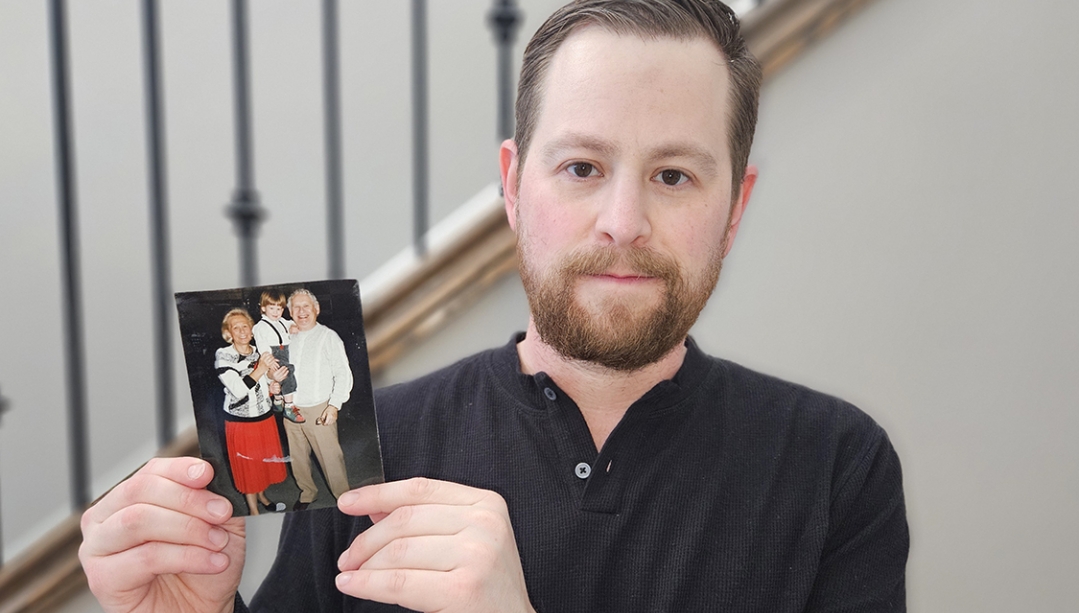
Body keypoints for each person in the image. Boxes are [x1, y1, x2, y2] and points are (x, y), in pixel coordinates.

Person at [78, 1, 908, 612]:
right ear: (511, 185)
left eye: (673, 175)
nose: (623, 222)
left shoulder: (837, 466)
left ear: (734, 207)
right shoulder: (368, 449)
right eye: (581, 167)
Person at [279, 288, 353, 511]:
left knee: (330, 458)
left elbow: (343, 372)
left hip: (318, 407)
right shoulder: (285, 337)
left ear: (316, 309)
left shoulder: (328, 337)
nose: (301, 312)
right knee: (298, 457)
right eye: (296, 308)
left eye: (306, 306)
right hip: (291, 408)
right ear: (290, 312)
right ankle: (307, 493)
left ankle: (346, 500)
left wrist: (334, 405)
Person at [215, 308, 290, 516]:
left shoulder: (259, 352)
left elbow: (263, 383)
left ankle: (263, 498)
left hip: (264, 418)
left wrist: (273, 386)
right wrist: (261, 369)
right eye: (235, 328)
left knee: (261, 464)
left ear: (251, 330)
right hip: (242, 422)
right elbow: (238, 390)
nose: (241, 332)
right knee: (249, 469)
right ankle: (254, 512)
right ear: (228, 333)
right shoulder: (224, 356)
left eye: (245, 326)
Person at [251, 290, 305, 424]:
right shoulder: (260, 327)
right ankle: (289, 406)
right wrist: (268, 359)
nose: (276, 312)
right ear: (263, 308)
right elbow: (261, 344)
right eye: (272, 308)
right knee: (288, 372)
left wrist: (293, 326)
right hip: (273, 355)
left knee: (281, 378)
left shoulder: (281, 321)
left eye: (279, 309)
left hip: (285, 351)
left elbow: (291, 323)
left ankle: (278, 400)